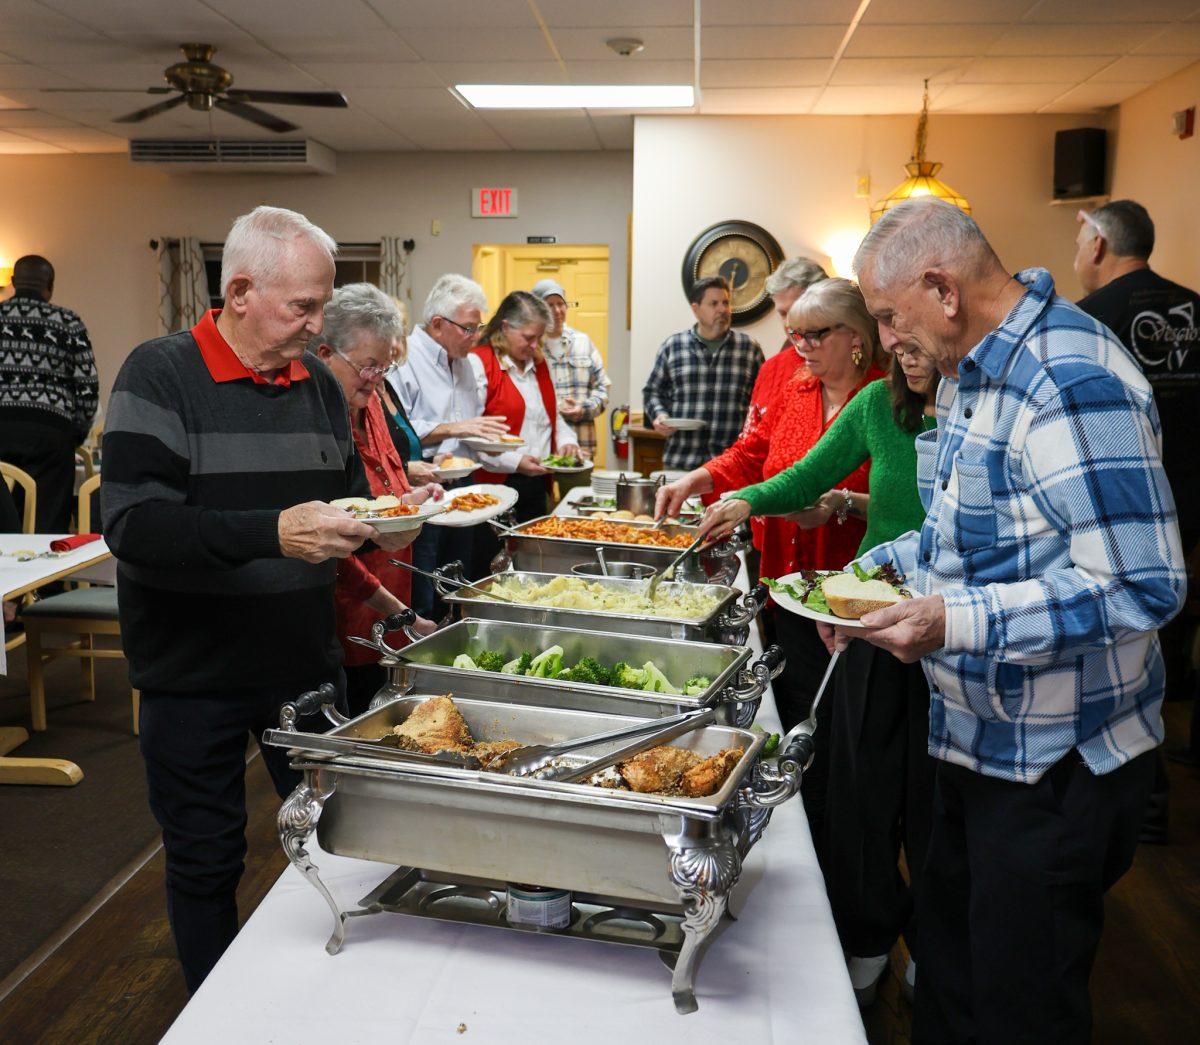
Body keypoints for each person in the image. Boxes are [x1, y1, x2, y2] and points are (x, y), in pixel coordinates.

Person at [823, 197, 1185, 1043]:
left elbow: (1141, 584)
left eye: (886, 315)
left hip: (1059, 768)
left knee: (1021, 1012)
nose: (883, 341)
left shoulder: (1070, 378)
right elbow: (962, 538)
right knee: (950, 983)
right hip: (975, 744)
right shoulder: (969, 375)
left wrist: (953, 620)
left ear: (942, 288)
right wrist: (866, 578)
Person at [101, 206, 423, 994]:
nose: (318, 328)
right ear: (239, 290)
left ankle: (333, 998)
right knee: (207, 856)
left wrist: (390, 525)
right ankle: (215, 1009)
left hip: (300, 663)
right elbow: (135, 525)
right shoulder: (160, 372)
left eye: (321, 305)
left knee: (340, 836)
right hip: (191, 668)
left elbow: (344, 504)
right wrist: (272, 533)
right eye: (303, 308)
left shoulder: (317, 382)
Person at [699, 330, 939, 1007]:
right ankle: (867, 934)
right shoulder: (874, 404)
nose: (911, 351)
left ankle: (932, 942)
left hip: (951, 633)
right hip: (873, 616)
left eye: (916, 336)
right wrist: (748, 499)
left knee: (932, 803)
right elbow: (807, 474)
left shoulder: (971, 406)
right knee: (862, 789)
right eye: (902, 339)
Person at [1074, 200, 1200, 780]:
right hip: (1196, 500)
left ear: (1097, 244)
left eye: (1080, 242)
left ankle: (1144, 793)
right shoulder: (1195, 308)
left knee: (1132, 648)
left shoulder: (1087, 320)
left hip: (1126, 509)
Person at [657, 257, 828, 583]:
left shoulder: (862, 381)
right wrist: (697, 478)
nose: (791, 325)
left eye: (800, 311)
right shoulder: (774, 370)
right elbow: (751, 450)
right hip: (771, 539)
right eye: (781, 313)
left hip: (830, 551)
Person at [312, 283, 441, 716]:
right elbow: (334, 547)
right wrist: (401, 613)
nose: (376, 379)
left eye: (384, 367)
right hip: (348, 612)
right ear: (325, 354)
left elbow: (385, 491)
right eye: (368, 366)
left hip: (390, 599)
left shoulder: (368, 404)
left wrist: (413, 497)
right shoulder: (318, 422)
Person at [387, 274, 509, 609]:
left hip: (464, 482)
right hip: (424, 485)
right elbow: (399, 429)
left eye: (478, 327)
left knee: (458, 578)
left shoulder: (468, 364)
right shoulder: (406, 359)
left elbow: (468, 425)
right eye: (469, 328)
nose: (476, 336)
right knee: (424, 580)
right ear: (438, 323)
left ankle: (455, 637)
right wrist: (454, 428)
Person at [469, 292, 581, 576]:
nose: (534, 345)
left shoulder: (539, 365)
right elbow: (473, 432)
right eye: (529, 337)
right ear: (505, 327)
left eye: (539, 338)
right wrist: (517, 461)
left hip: (538, 482)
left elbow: (552, 416)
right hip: (496, 484)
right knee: (492, 567)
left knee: (532, 566)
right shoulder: (480, 362)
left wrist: (568, 443)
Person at [0, 254, 98, 533]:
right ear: (50, 286)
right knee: (47, 522)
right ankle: (47, 575)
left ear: (13, 282)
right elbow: (87, 386)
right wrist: (74, 433)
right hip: (50, 433)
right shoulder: (68, 322)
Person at [642, 276, 764, 470]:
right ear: (695, 309)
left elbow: (763, 403)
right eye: (714, 303)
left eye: (726, 303)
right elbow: (652, 392)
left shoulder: (749, 349)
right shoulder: (673, 346)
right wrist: (660, 416)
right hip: (682, 461)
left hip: (733, 465)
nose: (722, 309)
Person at [530, 278, 611, 464]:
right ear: (537, 309)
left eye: (561, 304)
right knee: (541, 494)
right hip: (542, 446)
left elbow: (603, 388)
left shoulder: (583, 342)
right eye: (550, 305)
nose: (557, 311)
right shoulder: (530, 346)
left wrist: (583, 409)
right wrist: (554, 407)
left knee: (578, 493)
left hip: (581, 445)